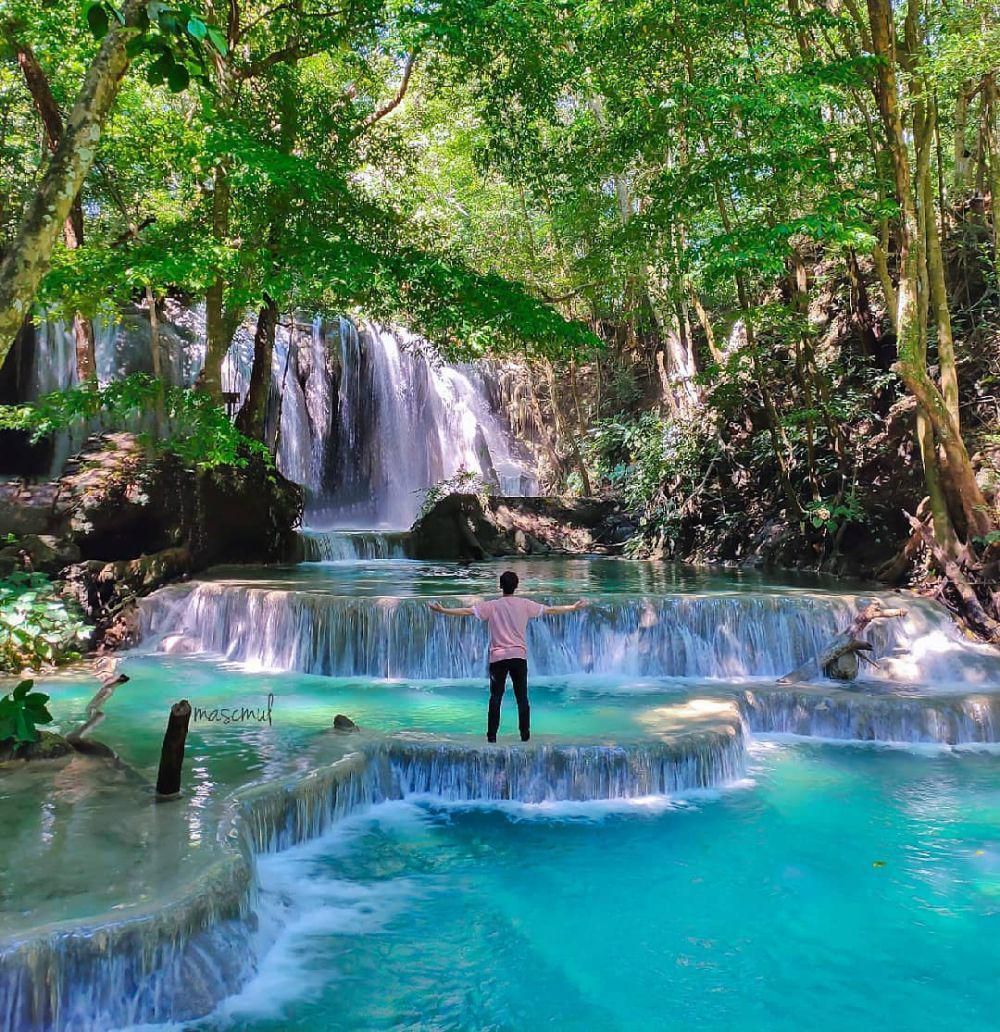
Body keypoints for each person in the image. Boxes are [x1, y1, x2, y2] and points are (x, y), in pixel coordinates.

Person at [428, 570, 587, 742]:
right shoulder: (525, 604)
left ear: (500, 586)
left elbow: (467, 611)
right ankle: (525, 736)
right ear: (516, 586)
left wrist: (442, 610)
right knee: (522, 698)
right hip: (519, 657)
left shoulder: (492, 606)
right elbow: (551, 610)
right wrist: (573, 607)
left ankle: (491, 737)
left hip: (498, 658)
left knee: (496, 698)